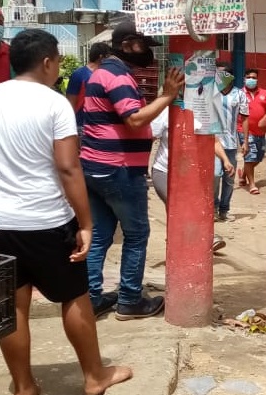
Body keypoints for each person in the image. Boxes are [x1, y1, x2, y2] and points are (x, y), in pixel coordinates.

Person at [0, 29, 132, 395]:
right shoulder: (55, 104)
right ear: (46, 62)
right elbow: (69, 167)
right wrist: (85, 223)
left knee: (12, 303)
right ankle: (94, 375)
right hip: (46, 220)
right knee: (74, 295)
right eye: (56, 62)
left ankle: (24, 390)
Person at [80, 20, 185, 319]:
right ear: (127, 45)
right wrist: (167, 96)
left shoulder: (104, 72)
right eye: (142, 45)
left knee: (100, 236)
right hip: (120, 169)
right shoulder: (118, 76)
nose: (146, 52)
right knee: (136, 234)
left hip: (96, 167)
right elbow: (135, 119)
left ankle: (90, 299)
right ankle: (129, 300)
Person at [150, 108, 232, 252]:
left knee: (189, 208)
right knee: (177, 205)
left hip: (189, 174)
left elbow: (214, 141)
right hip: (163, 171)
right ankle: (205, 238)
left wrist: (225, 160)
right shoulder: (166, 112)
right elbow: (150, 138)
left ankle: (178, 242)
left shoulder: (204, 112)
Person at [214, 63, 249, 221]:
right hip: (214, 142)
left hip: (231, 142)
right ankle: (213, 207)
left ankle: (224, 209)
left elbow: (245, 118)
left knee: (229, 179)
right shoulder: (212, 91)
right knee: (215, 175)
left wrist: (245, 141)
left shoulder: (239, 94)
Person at [237, 68, 266, 194]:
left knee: (259, 157)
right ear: (244, 79)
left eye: (254, 78)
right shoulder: (239, 94)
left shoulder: (265, 94)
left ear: (257, 79)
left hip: (261, 132)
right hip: (244, 131)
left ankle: (243, 174)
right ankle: (252, 185)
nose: (251, 80)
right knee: (250, 157)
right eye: (248, 77)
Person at [66, 42, 111, 135]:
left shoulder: (105, 75)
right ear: (101, 57)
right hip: (82, 125)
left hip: (100, 125)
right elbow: (70, 103)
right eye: (108, 57)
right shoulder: (79, 75)